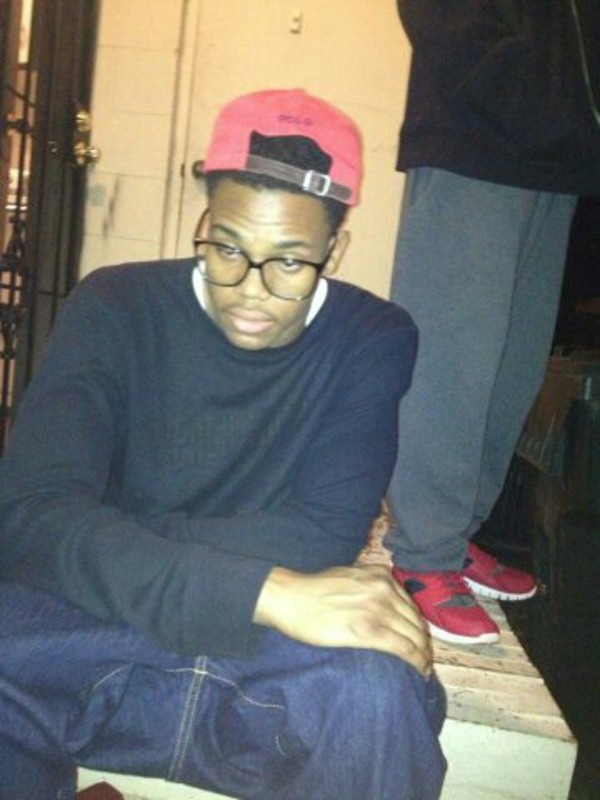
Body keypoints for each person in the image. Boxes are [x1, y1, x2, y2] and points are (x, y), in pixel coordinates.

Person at [0, 89, 446, 800]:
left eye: (290, 262)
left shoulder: (374, 336)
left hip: (234, 640)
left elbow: (323, 536)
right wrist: (259, 588)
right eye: (228, 248)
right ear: (204, 220)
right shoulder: (113, 303)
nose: (249, 290)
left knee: (376, 690)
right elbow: (28, 516)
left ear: (335, 249)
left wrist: (106, 539)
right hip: (97, 625)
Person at [386, 0, 600, 645]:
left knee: (513, 362)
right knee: (454, 357)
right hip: (476, 134)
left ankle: (454, 536)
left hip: (560, 157)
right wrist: (524, 83)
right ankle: (423, 550)